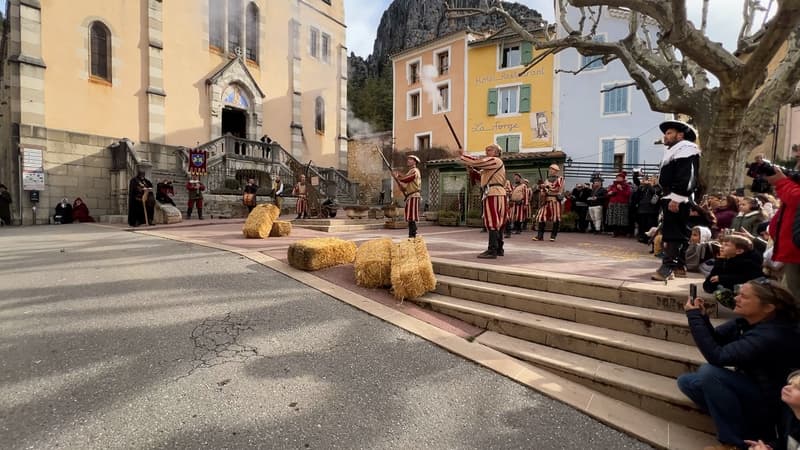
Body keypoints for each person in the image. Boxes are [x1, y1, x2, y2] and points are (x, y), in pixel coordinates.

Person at [678, 278, 800, 450]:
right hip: (753, 386)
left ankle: (732, 443)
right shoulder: (747, 321)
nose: (736, 298)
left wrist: (693, 317)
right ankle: (741, 426)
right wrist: (702, 317)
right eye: (738, 294)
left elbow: (718, 356)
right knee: (688, 382)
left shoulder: (773, 334)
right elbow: (717, 340)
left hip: (772, 400)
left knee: (709, 373)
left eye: (744, 296)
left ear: (768, 307)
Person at [652, 120, 701, 281]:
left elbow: (687, 176)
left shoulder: (686, 148)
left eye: (669, 133)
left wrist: (677, 198)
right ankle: (679, 266)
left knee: (673, 233)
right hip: (672, 195)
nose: (666, 136)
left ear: (680, 135)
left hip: (677, 197)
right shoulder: (676, 150)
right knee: (678, 232)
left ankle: (668, 268)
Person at [458, 143, 506, 258]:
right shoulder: (490, 167)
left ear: (497, 152)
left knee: (493, 221)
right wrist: (471, 169)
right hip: (495, 192)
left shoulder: (495, 160)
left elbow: (476, 162)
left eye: (489, 150)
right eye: (486, 150)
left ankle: (492, 250)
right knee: (497, 221)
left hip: (493, 193)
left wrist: (464, 155)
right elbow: (480, 177)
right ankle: (499, 248)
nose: (486, 152)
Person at [765, 166, 800, 299]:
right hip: (791, 252)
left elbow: (797, 198)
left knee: (793, 298)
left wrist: (782, 182)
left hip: (796, 252)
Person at [745, 369, 800, 450]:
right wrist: (769, 447)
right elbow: (785, 443)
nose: (787, 387)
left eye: (797, 388)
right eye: (790, 384)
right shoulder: (790, 416)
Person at [532, 164, 564, 242]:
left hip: (555, 201)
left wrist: (545, 187)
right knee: (541, 217)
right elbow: (543, 190)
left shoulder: (560, 179)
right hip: (546, 201)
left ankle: (553, 236)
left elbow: (556, 188)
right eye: (550, 169)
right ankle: (540, 236)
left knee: (556, 218)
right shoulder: (547, 179)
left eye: (552, 169)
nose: (551, 170)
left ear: (556, 171)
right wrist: (541, 188)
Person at [395, 155, 422, 238]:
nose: (408, 161)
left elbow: (407, 179)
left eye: (410, 159)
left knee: (411, 216)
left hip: (414, 196)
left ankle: (413, 234)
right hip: (411, 196)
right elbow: (406, 186)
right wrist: (400, 184)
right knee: (410, 216)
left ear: (414, 162)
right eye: (408, 159)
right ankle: (412, 233)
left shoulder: (415, 171)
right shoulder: (410, 171)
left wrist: (399, 177)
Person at [632, 173, 661, 242]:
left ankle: (649, 239)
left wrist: (649, 185)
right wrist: (636, 175)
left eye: (653, 179)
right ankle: (642, 237)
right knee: (642, 225)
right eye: (651, 179)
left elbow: (655, 192)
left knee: (650, 225)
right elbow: (637, 184)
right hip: (642, 209)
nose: (651, 180)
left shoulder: (658, 187)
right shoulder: (644, 187)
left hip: (652, 211)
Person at [606, 171, 632, 237]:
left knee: (622, 218)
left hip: (622, 204)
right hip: (613, 203)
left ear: (623, 178)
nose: (618, 179)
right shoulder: (612, 185)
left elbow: (628, 194)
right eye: (617, 177)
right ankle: (615, 232)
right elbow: (608, 193)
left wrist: (621, 189)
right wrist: (610, 193)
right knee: (614, 219)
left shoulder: (626, 186)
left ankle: (622, 232)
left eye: (620, 177)